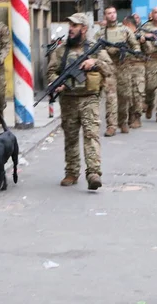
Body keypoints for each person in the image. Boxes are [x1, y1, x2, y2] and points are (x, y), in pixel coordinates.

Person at [46, 13, 112, 190]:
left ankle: (93, 173)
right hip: (68, 100)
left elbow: (110, 68)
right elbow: (51, 71)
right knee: (71, 138)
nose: (71, 29)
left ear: (84, 28)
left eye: (75, 26)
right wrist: (55, 83)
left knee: (91, 135)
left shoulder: (95, 49)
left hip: (89, 98)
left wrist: (95, 62)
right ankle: (72, 172)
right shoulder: (61, 51)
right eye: (70, 25)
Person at [94, 6, 141, 135]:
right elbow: (94, 49)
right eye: (109, 13)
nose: (112, 15)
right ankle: (111, 125)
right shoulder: (100, 34)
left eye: (114, 12)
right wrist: (105, 54)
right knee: (111, 97)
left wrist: (135, 52)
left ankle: (123, 121)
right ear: (105, 16)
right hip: (109, 68)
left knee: (124, 96)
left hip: (124, 66)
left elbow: (135, 44)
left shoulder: (125, 30)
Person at [124, 15, 149, 128]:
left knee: (137, 93)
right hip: (125, 67)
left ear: (130, 24)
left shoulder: (140, 35)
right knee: (128, 93)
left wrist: (143, 42)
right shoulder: (124, 35)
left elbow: (149, 50)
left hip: (138, 67)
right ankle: (130, 117)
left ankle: (137, 118)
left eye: (125, 25)